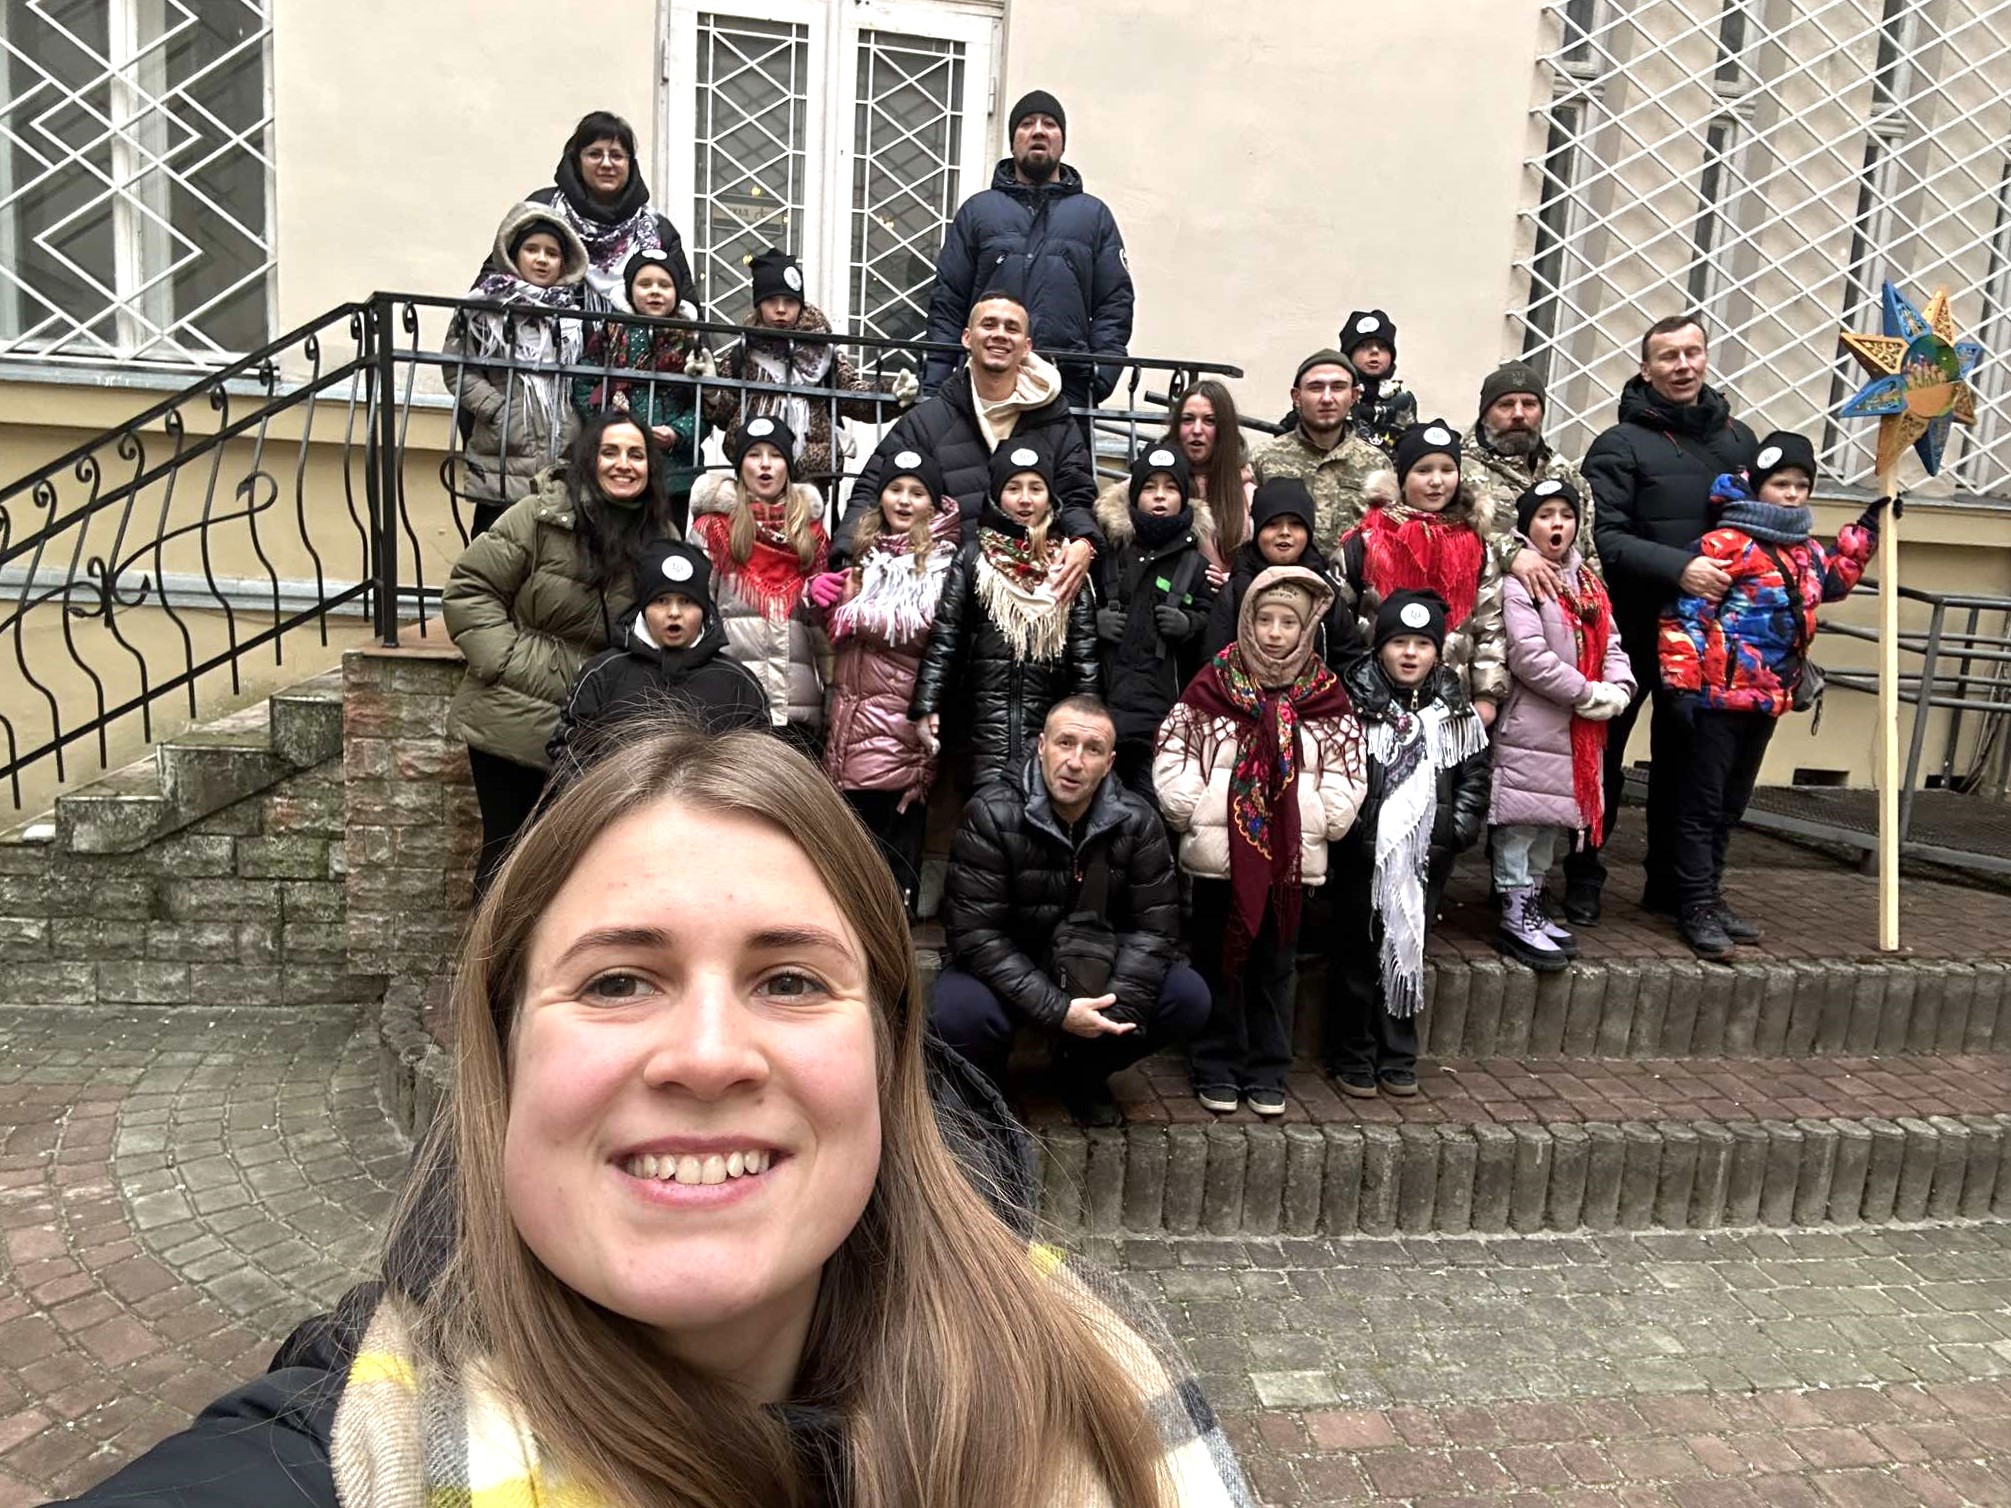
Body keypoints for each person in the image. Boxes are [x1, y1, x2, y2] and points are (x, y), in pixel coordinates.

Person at [53, 726, 1253, 1508]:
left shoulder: (1099, 1380)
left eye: (791, 978)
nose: (709, 1055)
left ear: (890, 1055)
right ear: (502, 1050)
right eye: (618, 979)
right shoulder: (325, 1454)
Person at [933, 696, 1210, 1126]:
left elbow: (1155, 930)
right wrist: (1058, 1010)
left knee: (1187, 996)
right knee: (958, 1010)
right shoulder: (992, 813)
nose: (1075, 762)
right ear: (1042, 745)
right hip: (1013, 963)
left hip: (1094, 963)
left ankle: (1082, 1071)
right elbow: (974, 935)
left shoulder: (1138, 822)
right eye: (1065, 743)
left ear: (1109, 762)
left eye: (1092, 749)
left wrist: (1108, 1013)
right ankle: (984, 1080)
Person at [1660, 433, 1882, 959]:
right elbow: (1685, 618)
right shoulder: (1724, 545)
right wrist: (1680, 684)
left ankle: (1711, 894)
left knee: (1731, 805)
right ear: (1757, 486)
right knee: (1701, 805)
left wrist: (1866, 533)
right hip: (1717, 698)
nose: (1792, 494)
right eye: (1781, 484)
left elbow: (1832, 582)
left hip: (1768, 697)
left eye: (1801, 485)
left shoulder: (1805, 550)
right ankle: (1692, 903)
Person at [1155, 566, 1367, 1116]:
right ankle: (1215, 1061)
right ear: (1247, 620)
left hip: (1289, 860)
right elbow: (1174, 751)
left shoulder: (1325, 694)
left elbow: (1348, 768)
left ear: (1306, 628)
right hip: (1219, 857)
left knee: (1276, 964)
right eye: (1265, 619)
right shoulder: (1213, 682)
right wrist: (1195, 809)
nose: (1275, 632)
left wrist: (1325, 817)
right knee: (1217, 959)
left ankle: (1268, 1066)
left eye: (1288, 622)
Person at [443, 414, 675, 892]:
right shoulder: (539, 515)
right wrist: (507, 661)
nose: (624, 464)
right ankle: (493, 946)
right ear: (589, 459)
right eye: (610, 452)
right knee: (507, 856)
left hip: (599, 724)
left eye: (636, 455)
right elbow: (471, 588)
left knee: (578, 869)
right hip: (514, 713)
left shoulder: (661, 538)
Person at [1585, 314, 1759, 921]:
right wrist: (1679, 569)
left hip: (1710, 636)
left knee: (1689, 767)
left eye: (1692, 353)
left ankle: (1676, 886)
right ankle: (1584, 876)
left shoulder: (1739, 441)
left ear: (1706, 357)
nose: (1682, 366)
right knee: (1603, 755)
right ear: (1646, 368)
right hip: (1633, 626)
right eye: (1668, 356)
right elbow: (1602, 537)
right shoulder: (1619, 445)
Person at [1327, 591, 1490, 1097]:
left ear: (1438, 652)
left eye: (1422, 644)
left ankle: (1397, 1051)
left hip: (1425, 860)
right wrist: (1354, 832)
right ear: (1380, 648)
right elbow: (1335, 771)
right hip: (1363, 856)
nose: (1410, 654)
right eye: (1399, 642)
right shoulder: (1353, 703)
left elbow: (1475, 778)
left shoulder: (1455, 710)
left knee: (1407, 948)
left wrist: (1453, 832)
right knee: (1357, 955)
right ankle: (1352, 1052)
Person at [842, 290, 1103, 587]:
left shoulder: (1055, 420)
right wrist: (846, 562)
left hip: (1035, 587)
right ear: (967, 337)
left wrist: (1084, 541)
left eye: (1012, 328)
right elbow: (871, 490)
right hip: (944, 588)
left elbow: (1077, 493)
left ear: (1027, 346)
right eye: (989, 324)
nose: (1000, 334)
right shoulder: (928, 420)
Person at [1488, 479, 1634, 970]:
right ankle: (1514, 911)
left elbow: (1612, 642)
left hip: (1576, 733)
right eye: (1545, 515)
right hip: (1533, 726)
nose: (1557, 525)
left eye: (1566, 516)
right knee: (1521, 822)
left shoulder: (1587, 581)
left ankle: (1534, 902)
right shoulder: (1522, 581)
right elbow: (1529, 656)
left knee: (1551, 824)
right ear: (1527, 523)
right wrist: (1586, 692)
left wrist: (1620, 687)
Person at [921, 90, 1134, 415]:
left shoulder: (1094, 216)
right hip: (985, 388)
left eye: (1049, 124)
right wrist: (934, 388)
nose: (1038, 131)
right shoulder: (978, 212)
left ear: (1062, 142)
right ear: (1012, 141)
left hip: (1066, 390)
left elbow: (1114, 303)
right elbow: (949, 302)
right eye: (1026, 124)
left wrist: (1100, 375)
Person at [815, 447, 961, 914]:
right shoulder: (867, 552)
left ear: (933, 504)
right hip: (850, 726)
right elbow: (837, 632)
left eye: (917, 493)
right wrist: (817, 598)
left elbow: (922, 623)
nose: (903, 500)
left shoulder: (941, 561)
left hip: (899, 730)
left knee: (892, 866)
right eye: (895, 489)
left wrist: (852, 613)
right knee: (850, 865)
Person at [908, 439, 1101, 787]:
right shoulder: (973, 557)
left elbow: (1084, 658)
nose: (1025, 499)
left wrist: (1089, 724)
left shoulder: (1068, 565)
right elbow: (945, 637)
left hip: (1048, 730)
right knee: (985, 806)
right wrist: (927, 705)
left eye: (1036, 488)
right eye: (1014, 488)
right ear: (998, 495)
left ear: (1049, 496)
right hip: (977, 726)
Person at [546, 538, 769, 784]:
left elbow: (758, 769)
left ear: (704, 610)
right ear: (643, 608)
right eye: (661, 601)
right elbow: (570, 758)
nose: (674, 613)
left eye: (686, 601)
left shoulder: (738, 683)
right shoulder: (603, 673)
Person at [701, 247, 917, 495]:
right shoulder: (744, 351)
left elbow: (854, 395)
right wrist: (712, 391)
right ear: (759, 305)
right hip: (755, 473)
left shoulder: (822, 351)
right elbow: (726, 414)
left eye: (790, 302)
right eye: (771, 301)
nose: (781, 310)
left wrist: (892, 393)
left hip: (809, 479)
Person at [1334, 422, 1510, 722]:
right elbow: (1339, 621)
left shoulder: (1476, 544)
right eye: (1423, 470)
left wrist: (1486, 694)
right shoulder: (1367, 539)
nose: (1436, 481)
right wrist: (1347, 686)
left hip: (1452, 702)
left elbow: (1488, 624)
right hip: (1373, 699)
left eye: (1447, 470)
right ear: (1403, 478)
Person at [687, 417, 831, 752]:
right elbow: (698, 612)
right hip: (731, 699)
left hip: (797, 705)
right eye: (754, 455)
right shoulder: (714, 530)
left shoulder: (811, 534)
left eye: (776, 455)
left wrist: (833, 690)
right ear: (740, 466)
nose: (765, 464)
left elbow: (822, 633)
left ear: (788, 466)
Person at [447, 203, 589, 536]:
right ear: (513, 254)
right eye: (532, 249)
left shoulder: (573, 317)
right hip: (503, 456)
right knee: (495, 547)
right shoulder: (484, 307)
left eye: (552, 253)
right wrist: (498, 409)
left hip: (560, 452)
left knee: (553, 553)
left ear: (564, 262)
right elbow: (457, 368)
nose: (542, 259)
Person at [1091, 445, 1216, 798]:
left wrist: (1189, 626)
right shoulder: (1109, 554)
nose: (1160, 496)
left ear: (1184, 498)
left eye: (1170, 487)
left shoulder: (1196, 565)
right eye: (1149, 487)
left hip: (1161, 722)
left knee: (1149, 810)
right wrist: (1093, 622)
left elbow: (1211, 628)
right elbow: (1074, 610)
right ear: (1134, 495)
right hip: (1102, 713)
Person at [572, 248, 706, 528]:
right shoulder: (610, 332)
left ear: (677, 293)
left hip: (674, 471)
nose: (655, 291)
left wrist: (677, 432)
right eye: (645, 284)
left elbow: (704, 404)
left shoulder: (691, 340)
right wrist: (607, 424)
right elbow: (585, 384)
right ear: (630, 290)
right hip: (618, 465)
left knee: (665, 537)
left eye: (664, 285)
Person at [516, 110, 694, 311]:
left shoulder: (659, 229)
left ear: (630, 164)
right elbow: (499, 276)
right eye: (595, 154)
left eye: (617, 156)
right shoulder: (543, 209)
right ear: (577, 161)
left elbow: (686, 308)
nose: (607, 164)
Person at [1201, 477, 1368, 676]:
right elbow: (1212, 664)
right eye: (1272, 524)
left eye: (1296, 524)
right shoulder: (1234, 592)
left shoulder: (1325, 592)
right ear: (1256, 530)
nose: (1285, 533)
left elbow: (1348, 660)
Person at [1250, 350, 1389, 555]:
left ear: (1353, 396)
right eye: (1315, 388)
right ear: (1297, 397)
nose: (1326, 398)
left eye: (1338, 387)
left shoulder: (1377, 464)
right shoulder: (1263, 459)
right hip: (1284, 575)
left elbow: (1388, 540)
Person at [1169, 379, 1254, 576]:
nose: (1197, 430)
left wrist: (1233, 583)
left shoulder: (1251, 499)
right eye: (1188, 419)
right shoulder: (1147, 487)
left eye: (1209, 421)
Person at [1334, 309, 1418, 457]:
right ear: (1348, 354)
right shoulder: (1333, 397)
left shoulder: (1403, 401)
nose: (1374, 351)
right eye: (1364, 346)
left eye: (1382, 346)